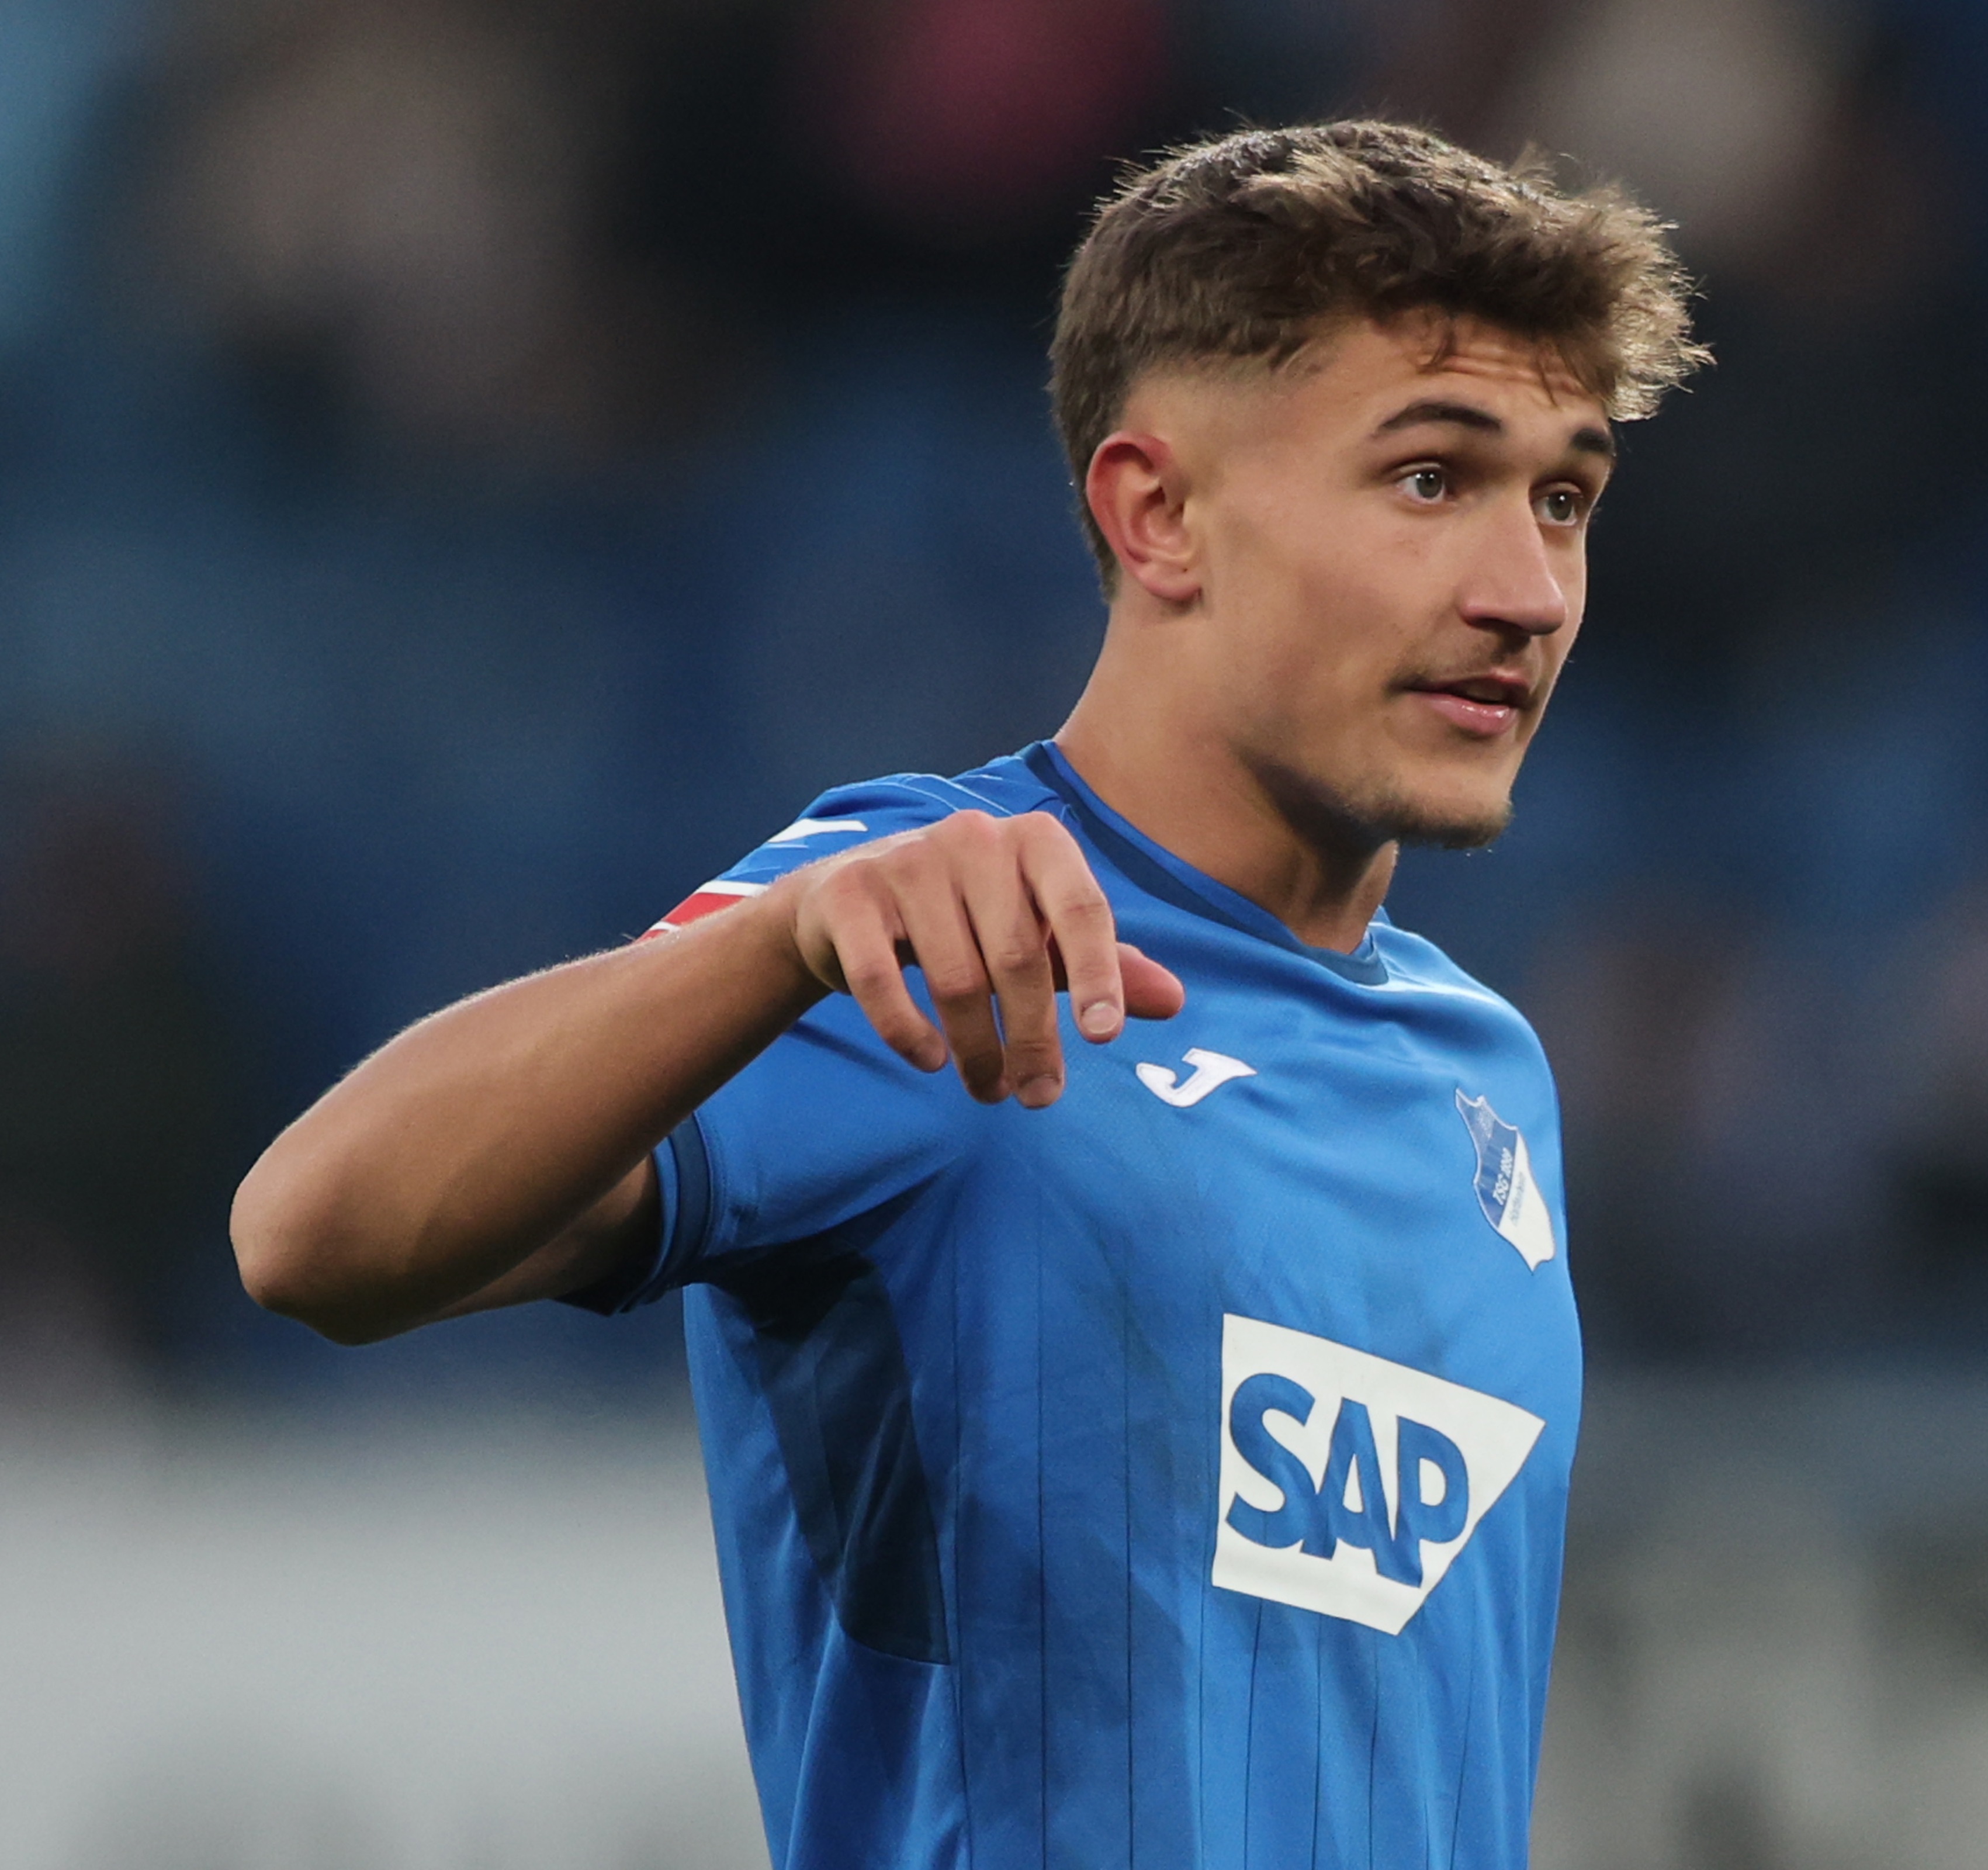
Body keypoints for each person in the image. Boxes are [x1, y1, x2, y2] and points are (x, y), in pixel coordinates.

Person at [230, 120, 1702, 1868]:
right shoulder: (928, 927)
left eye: (1566, 498)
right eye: (1430, 480)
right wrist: (772, 949)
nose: (1528, 593)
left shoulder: (1484, 1078)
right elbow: (311, 1237)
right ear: (1156, 513)